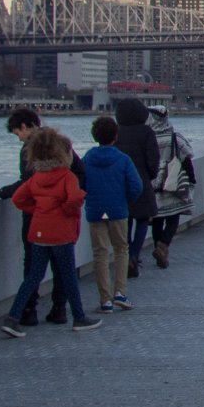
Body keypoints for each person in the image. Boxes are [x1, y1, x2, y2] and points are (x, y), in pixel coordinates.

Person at [0, 106, 87, 325]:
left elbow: (23, 190)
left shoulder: (30, 151)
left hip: (37, 223)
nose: (18, 139)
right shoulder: (62, 147)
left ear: (24, 127)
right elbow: (81, 174)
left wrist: (4, 192)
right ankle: (61, 311)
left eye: (17, 133)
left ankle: (25, 312)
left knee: (32, 269)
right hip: (61, 223)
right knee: (64, 269)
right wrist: (66, 205)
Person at [0, 127, 101, 336]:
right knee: (67, 276)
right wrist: (65, 210)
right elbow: (74, 198)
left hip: (39, 233)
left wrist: (38, 211)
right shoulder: (67, 177)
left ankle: (13, 318)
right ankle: (79, 317)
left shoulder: (35, 177)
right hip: (61, 234)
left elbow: (18, 198)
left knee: (33, 276)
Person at [82, 114, 145, 313]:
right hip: (118, 210)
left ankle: (105, 299)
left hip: (96, 211)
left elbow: (81, 184)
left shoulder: (88, 159)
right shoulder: (122, 159)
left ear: (95, 136)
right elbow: (136, 186)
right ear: (115, 136)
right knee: (121, 249)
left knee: (100, 253)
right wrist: (125, 200)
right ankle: (120, 292)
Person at [112, 98, 160, 277]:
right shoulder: (147, 132)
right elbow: (153, 159)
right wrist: (149, 176)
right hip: (142, 182)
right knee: (142, 220)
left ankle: (126, 257)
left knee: (125, 221)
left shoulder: (117, 132)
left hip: (121, 184)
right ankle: (134, 254)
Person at [146, 104, 196, 268]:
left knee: (157, 219)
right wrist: (191, 180)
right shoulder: (174, 136)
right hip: (173, 182)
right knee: (173, 217)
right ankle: (163, 245)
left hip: (154, 184)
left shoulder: (148, 138)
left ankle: (158, 248)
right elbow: (187, 157)